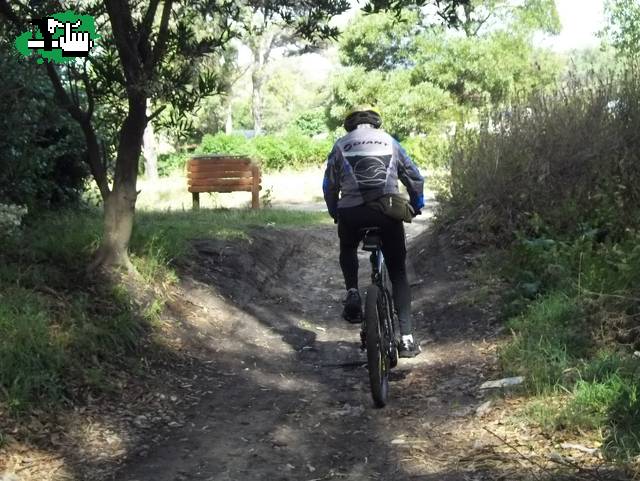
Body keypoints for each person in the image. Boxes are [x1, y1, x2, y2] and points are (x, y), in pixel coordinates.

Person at [322, 106, 425, 358]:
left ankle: (353, 292)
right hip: (387, 211)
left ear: (350, 127)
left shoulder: (340, 145)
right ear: (375, 125)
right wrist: (417, 204)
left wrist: (335, 212)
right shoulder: (391, 141)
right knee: (398, 271)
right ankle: (408, 338)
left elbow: (329, 185)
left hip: (352, 212)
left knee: (347, 247)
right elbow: (413, 176)